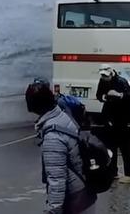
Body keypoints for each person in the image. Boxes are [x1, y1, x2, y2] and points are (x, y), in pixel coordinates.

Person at [26, 82, 96, 214]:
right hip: (84, 189)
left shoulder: (53, 137)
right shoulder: (62, 116)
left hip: (74, 197)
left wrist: (54, 209)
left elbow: (57, 178)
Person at [95, 64, 130, 183]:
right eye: (102, 76)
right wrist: (103, 97)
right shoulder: (102, 81)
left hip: (121, 116)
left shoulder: (121, 81)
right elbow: (98, 95)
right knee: (110, 146)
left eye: (106, 76)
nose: (104, 78)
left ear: (111, 73)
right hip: (109, 116)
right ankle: (113, 172)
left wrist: (119, 95)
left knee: (124, 147)